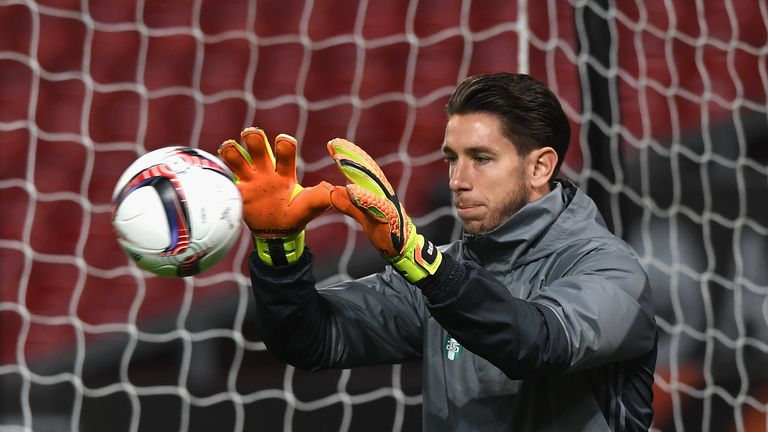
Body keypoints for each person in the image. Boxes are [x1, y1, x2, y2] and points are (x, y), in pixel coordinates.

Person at [217, 72, 658, 431]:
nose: (457, 179)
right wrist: (279, 249)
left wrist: (424, 265)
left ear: (540, 166)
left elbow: (535, 343)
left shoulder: (611, 271)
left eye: (481, 158)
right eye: (452, 158)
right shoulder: (440, 272)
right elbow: (312, 340)